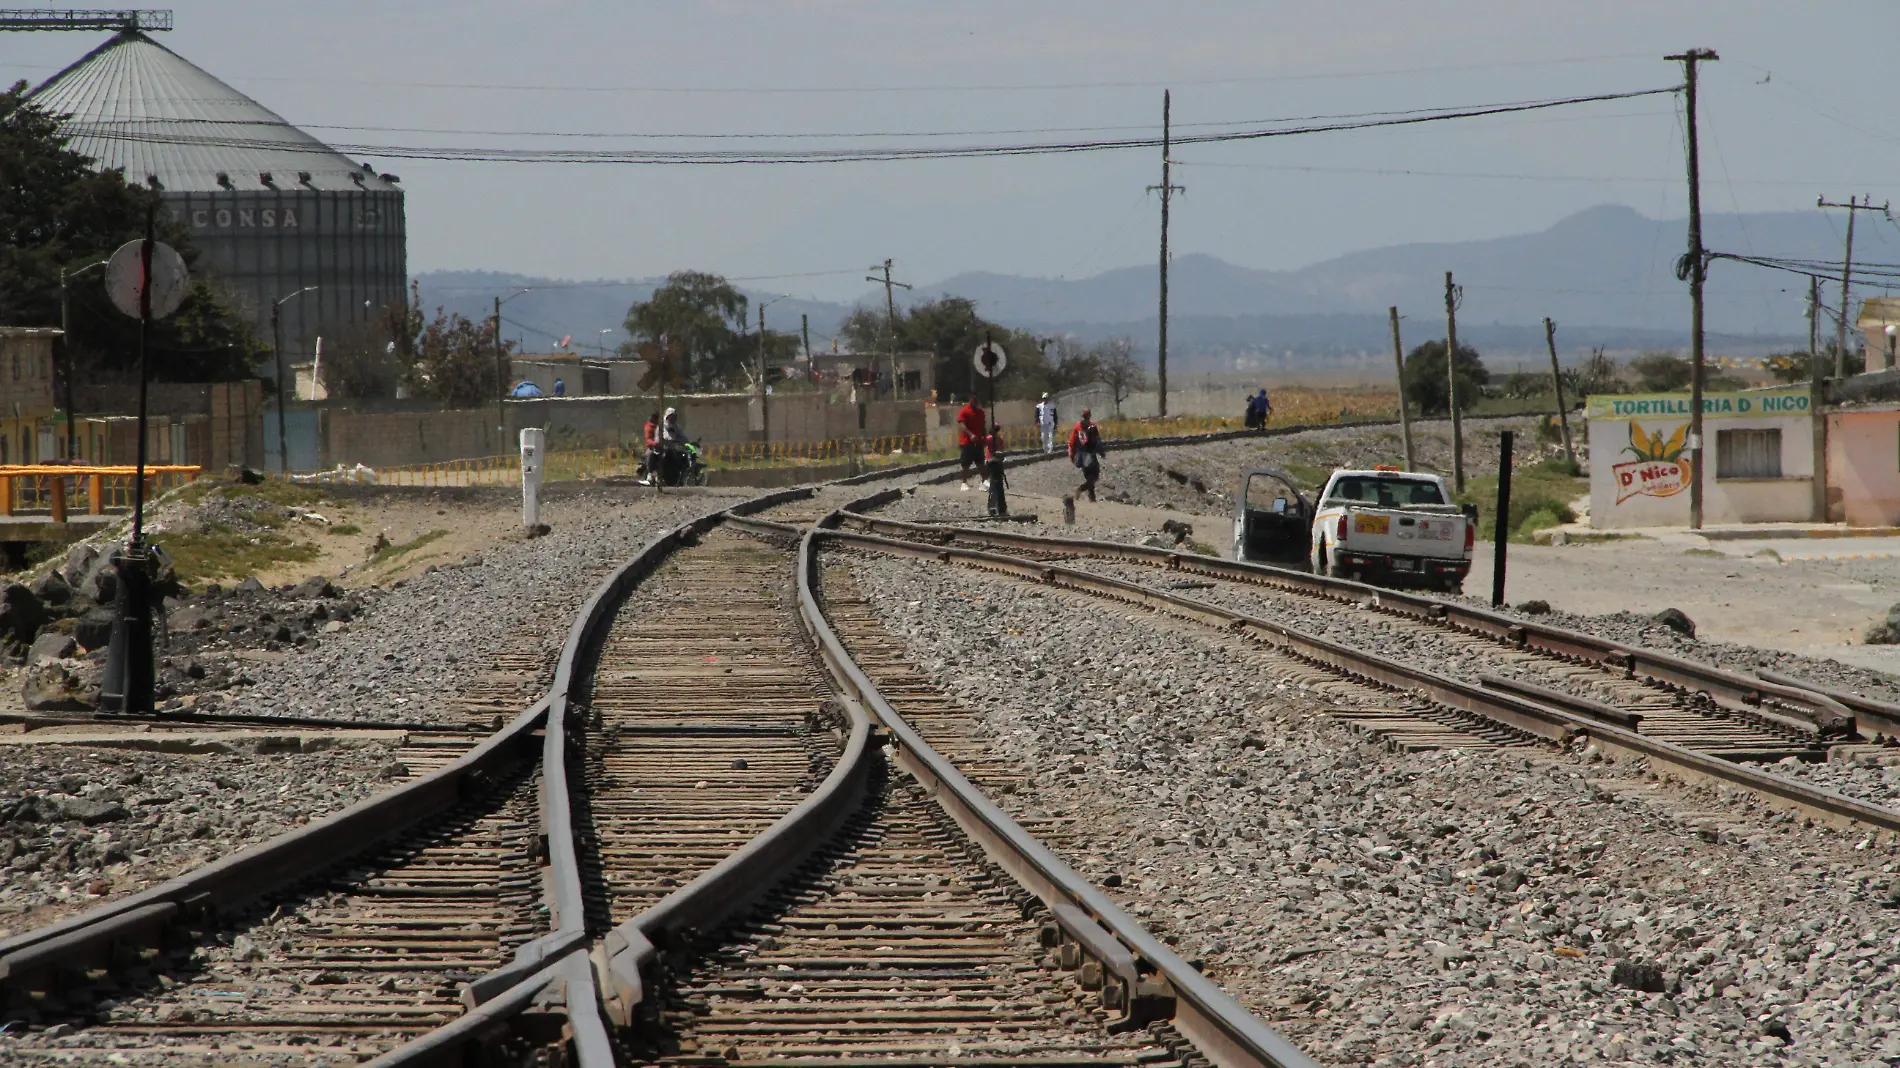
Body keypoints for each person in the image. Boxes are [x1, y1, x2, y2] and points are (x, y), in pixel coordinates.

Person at [1067, 408, 1105, 502]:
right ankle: (1081, 489)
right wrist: (1101, 452)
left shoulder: (1077, 427)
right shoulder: (1092, 426)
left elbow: (1072, 442)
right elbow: (1097, 441)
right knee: (1095, 475)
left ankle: (1092, 498)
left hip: (1080, 455)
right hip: (1089, 454)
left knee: (1089, 476)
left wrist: (1072, 455)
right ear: (1089, 415)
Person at [956, 397, 987, 491]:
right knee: (965, 463)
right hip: (967, 442)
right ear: (970, 400)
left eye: (977, 399)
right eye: (974, 399)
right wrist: (971, 435)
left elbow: (983, 426)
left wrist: (984, 436)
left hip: (978, 441)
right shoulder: (964, 411)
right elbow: (962, 426)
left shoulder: (981, 413)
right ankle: (964, 483)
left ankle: (984, 481)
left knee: (981, 462)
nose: (976, 401)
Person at [985, 424, 1009, 517]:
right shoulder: (991, 438)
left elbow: (1002, 449)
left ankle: (997, 507)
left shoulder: (998, 439)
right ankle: (996, 507)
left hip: (996, 462)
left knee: (996, 485)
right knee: (995, 485)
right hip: (992, 462)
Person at [641, 411, 660, 483]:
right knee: (651, 454)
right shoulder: (649, 427)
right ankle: (650, 473)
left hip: (661, 446)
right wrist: (654, 443)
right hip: (651, 447)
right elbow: (648, 439)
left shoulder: (660, 426)